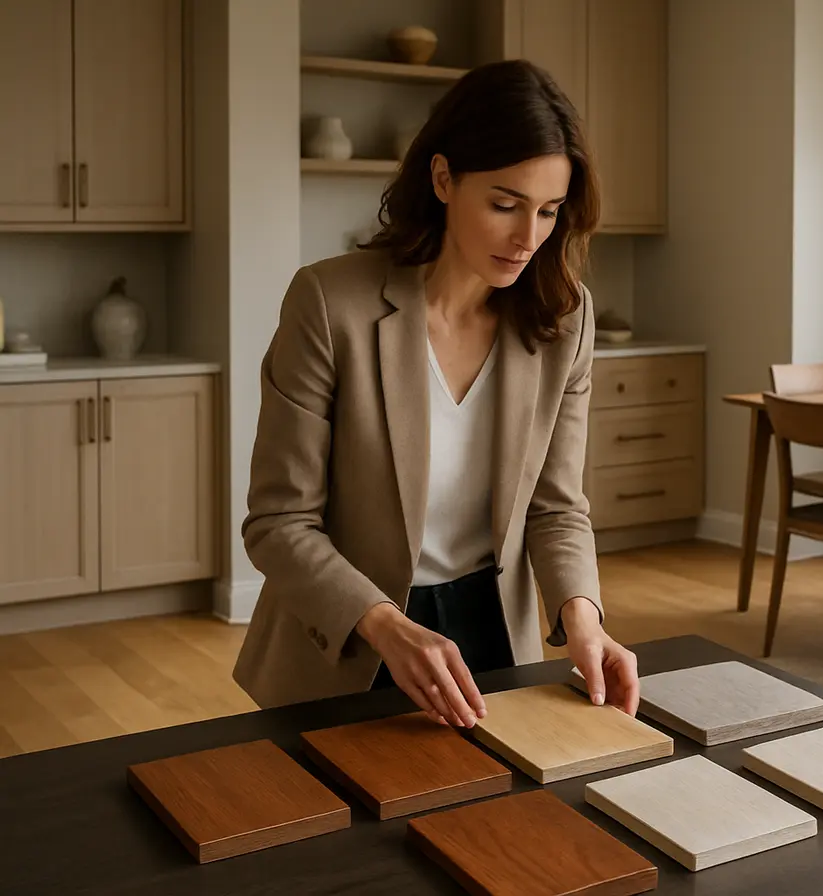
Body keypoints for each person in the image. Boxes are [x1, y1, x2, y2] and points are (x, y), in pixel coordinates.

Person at [231, 59, 639, 727]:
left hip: (492, 632)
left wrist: (584, 619)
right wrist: (385, 625)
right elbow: (280, 524)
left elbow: (557, 506)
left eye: (548, 212)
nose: (527, 238)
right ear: (444, 178)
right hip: (351, 636)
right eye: (505, 204)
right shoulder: (331, 304)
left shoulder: (566, 318)